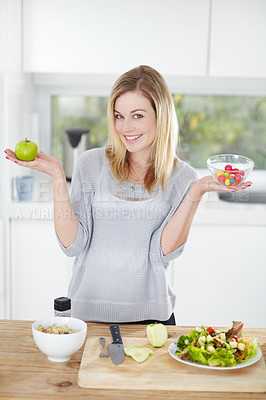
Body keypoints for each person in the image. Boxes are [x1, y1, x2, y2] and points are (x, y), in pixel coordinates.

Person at [5, 65, 252, 325]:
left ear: (161, 116)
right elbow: (72, 245)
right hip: (87, 315)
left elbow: (162, 254)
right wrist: (57, 176)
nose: (126, 127)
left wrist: (197, 191)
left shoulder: (184, 178)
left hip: (151, 319)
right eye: (119, 116)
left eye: (137, 115)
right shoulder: (91, 164)